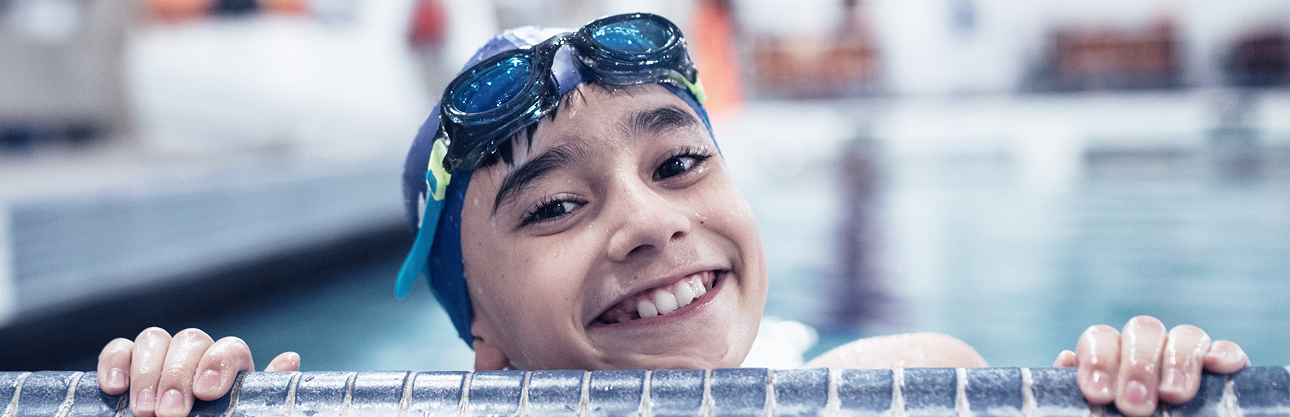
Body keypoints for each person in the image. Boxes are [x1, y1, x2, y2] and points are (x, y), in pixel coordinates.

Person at [95, 13, 1250, 417]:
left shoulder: (911, 382)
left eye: (681, 162)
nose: (648, 223)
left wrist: (1150, 387)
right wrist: (179, 393)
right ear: (482, 342)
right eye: (553, 207)